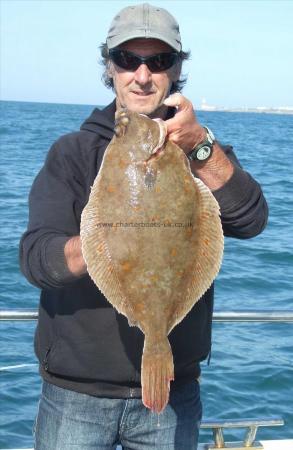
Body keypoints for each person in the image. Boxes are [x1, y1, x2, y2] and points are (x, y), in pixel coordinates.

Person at [19, 3, 268, 450]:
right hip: (75, 394)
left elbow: (250, 219)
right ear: (109, 67)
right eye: (127, 59)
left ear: (175, 70)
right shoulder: (72, 153)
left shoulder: (200, 153)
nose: (142, 74)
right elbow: (37, 261)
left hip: (174, 390)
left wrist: (200, 146)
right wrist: (103, 242)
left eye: (158, 61)